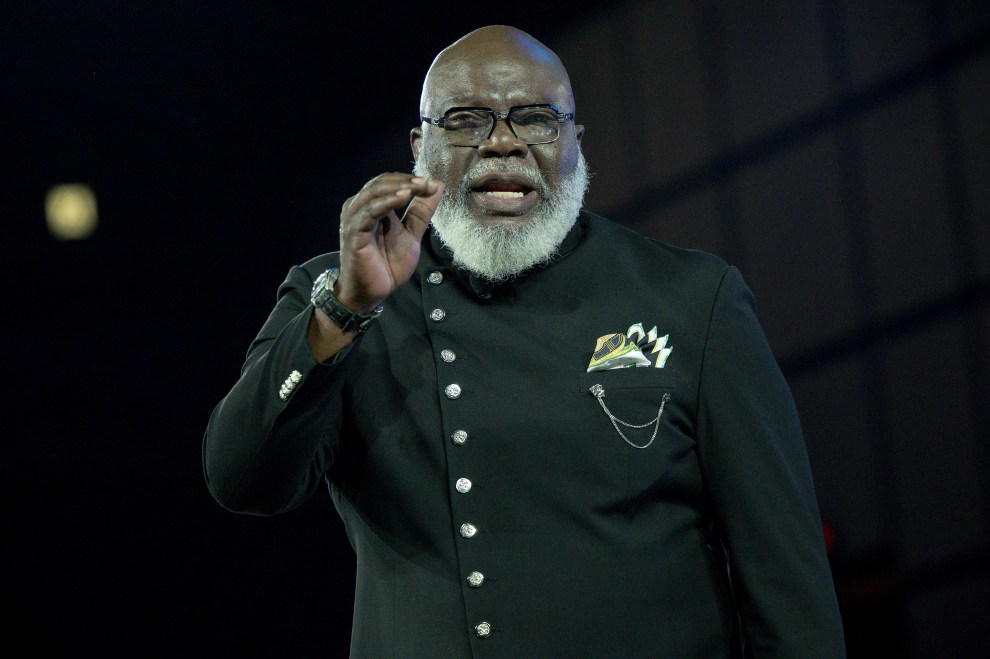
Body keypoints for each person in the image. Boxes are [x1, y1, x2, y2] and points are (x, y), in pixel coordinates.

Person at [203, 25, 846, 657]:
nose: (502, 144)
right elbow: (242, 480)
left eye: (535, 118)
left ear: (575, 142)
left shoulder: (691, 298)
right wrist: (346, 310)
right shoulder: (339, 291)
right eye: (465, 121)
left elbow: (787, 584)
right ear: (419, 149)